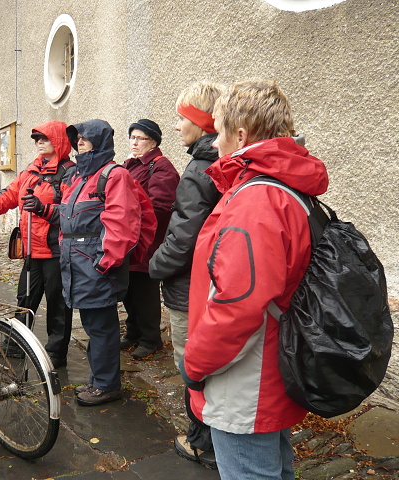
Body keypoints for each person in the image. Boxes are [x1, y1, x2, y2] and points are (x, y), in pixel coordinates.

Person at [183, 79, 329, 479]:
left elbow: (237, 306)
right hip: (268, 359)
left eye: (219, 131)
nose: (214, 143)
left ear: (242, 135)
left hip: (246, 376)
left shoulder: (256, 200)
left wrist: (195, 364)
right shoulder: (283, 187)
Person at [23, 119, 157, 406]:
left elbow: (123, 223)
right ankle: (100, 379)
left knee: (101, 328)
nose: (79, 142)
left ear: (100, 140)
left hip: (95, 267)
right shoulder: (82, 178)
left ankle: (107, 385)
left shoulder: (113, 175)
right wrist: (45, 209)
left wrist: (105, 262)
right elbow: (72, 219)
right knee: (93, 325)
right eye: (77, 138)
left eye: (85, 138)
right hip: (80, 266)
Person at [148, 82, 225, 467]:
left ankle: (202, 441)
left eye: (182, 118)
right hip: (211, 281)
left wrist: (154, 266)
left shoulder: (199, 167)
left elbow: (183, 237)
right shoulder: (221, 159)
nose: (176, 126)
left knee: (193, 364)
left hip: (188, 288)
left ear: (202, 122)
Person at [0, 121, 75, 369]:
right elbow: (7, 197)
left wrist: (44, 208)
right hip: (32, 250)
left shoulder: (70, 172)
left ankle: (56, 353)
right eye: (36, 139)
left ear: (60, 141)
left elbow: (73, 211)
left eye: (45, 138)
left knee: (57, 304)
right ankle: (16, 345)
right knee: (24, 299)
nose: (39, 142)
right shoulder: (29, 171)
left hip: (56, 251)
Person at [120, 119, 179, 359]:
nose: (134, 142)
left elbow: (161, 207)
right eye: (132, 137)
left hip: (148, 240)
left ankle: (150, 338)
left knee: (145, 291)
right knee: (129, 289)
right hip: (129, 239)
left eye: (140, 138)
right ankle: (133, 332)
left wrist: (131, 215)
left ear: (153, 142)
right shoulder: (129, 165)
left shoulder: (161, 167)